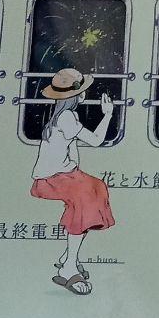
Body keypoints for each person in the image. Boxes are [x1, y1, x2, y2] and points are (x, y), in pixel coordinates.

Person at [30, 68, 115, 296]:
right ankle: (68, 267)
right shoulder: (66, 118)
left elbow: (72, 154)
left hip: (62, 175)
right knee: (86, 198)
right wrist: (107, 115)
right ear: (78, 95)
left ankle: (69, 256)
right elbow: (96, 140)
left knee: (95, 188)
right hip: (51, 179)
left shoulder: (64, 115)